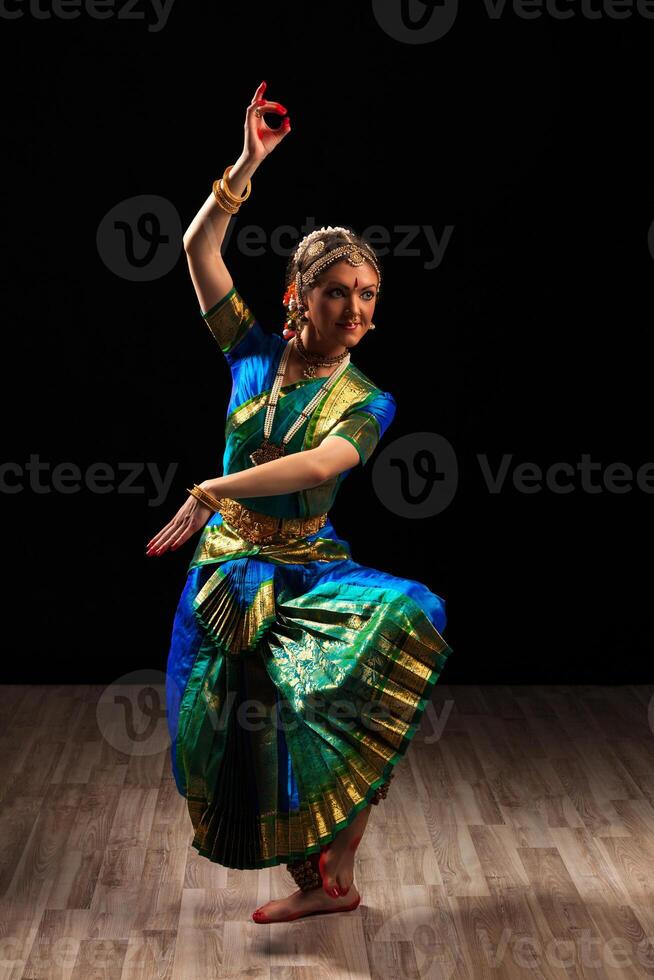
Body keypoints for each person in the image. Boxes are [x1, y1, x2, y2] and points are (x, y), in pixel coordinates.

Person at [146, 81, 453, 924]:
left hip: (307, 572)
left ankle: (339, 862)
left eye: (367, 297)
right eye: (337, 294)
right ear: (298, 297)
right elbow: (197, 249)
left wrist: (214, 486)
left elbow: (322, 461)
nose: (356, 311)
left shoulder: (368, 399)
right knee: (226, 738)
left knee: (388, 644)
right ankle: (313, 888)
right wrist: (248, 163)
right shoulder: (249, 352)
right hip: (221, 576)